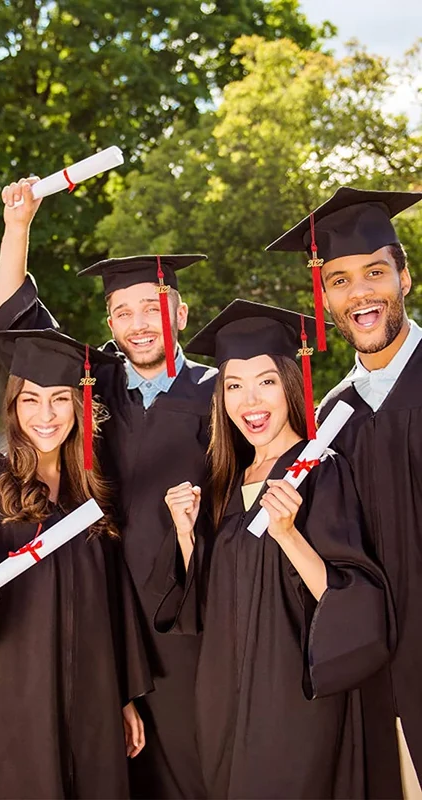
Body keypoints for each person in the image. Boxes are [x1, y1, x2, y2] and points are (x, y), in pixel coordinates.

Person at [0, 178, 215, 798]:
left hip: (190, 612)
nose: (138, 323)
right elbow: (14, 322)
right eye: (122, 311)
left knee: (193, 763)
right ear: (109, 321)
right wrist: (18, 226)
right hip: (102, 612)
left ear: (180, 312)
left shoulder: (221, 393)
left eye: (152, 306)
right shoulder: (93, 383)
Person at [161, 299, 394, 799]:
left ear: (290, 384)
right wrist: (185, 535)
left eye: (266, 381)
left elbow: (355, 600)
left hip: (291, 696)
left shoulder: (319, 470)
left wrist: (289, 533)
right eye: (234, 386)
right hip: (222, 693)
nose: (251, 401)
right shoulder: (222, 482)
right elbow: (206, 605)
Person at [0, 328, 152, 799]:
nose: (45, 415)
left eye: (60, 399)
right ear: (14, 405)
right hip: (14, 693)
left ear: (79, 406)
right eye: (31, 400)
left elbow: (113, 605)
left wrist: (121, 695)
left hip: (92, 692)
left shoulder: (92, 492)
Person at [267, 187, 422, 798]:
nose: (360, 293)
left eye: (375, 273)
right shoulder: (332, 418)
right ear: (324, 294)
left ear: (405, 278)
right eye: (340, 280)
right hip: (378, 668)